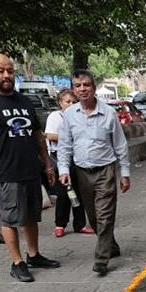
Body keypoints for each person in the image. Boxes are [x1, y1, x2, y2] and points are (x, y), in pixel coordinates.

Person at [0, 52, 60, 283]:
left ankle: (33, 255)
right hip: (6, 172)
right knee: (10, 219)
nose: (6, 75)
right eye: (1, 70)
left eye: (10, 70)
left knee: (32, 216)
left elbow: (38, 136)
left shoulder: (24, 101)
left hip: (31, 169)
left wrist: (47, 163)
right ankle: (17, 261)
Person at [57, 69, 131, 277]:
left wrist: (124, 173)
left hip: (105, 170)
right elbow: (64, 145)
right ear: (73, 89)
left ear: (94, 87)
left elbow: (120, 145)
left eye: (86, 85)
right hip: (82, 172)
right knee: (94, 217)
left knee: (105, 215)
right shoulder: (70, 115)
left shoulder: (108, 113)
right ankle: (111, 245)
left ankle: (101, 259)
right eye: (78, 86)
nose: (82, 89)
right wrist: (63, 169)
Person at [45, 89, 91, 237]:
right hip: (60, 158)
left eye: (73, 101)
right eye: (68, 102)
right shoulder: (55, 116)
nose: (71, 104)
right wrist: (67, 138)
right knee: (64, 192)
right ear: (60, 103)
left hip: (77, 157)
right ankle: (60, 224)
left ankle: (80, 223)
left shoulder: (78, 116)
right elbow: (49, 135)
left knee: (79, 191)